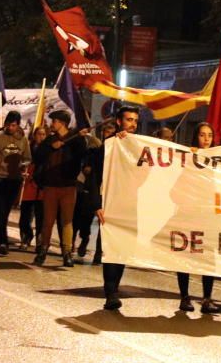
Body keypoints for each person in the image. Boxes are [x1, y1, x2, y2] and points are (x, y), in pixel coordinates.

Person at [174, 122, 221, 313]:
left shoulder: (219, 160)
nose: (206, 139)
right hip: (189, 215)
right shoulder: (187, 158)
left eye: (210, 135)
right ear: (196, 137)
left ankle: (207, 298)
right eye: (202, 135)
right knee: (185, 255)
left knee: (207, 257)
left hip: (209, 216)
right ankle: (184, 296)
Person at [33, 110, 89, 267]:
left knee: (67, 221)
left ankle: (67, 253)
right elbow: (37, 157)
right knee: (48, 221)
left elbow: (83, 154)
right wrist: (51, 147)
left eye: (55, 121)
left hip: (68, 186)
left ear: (63, 123)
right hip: (50, 185)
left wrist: (81, 137)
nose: (52, 124)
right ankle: (43, 250)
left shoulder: (76, 139)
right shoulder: (49, 140)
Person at [99, 105, 140, 310]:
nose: (132, 124)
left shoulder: (141, 147)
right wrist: (97, 205)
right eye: (128, 120)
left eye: (135, 121)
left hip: (130, 206)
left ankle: (114, 287)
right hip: (111, 205)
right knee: (112, 248)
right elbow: (95, 176)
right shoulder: (109, 145)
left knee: (122, 249)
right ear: (118, 122)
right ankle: (111, 291)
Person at [0, 111, 30, 256]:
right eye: (8, 124)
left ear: (18, 125)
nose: (10, 128)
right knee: (0, 210)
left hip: (14, 179)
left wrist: (22, 164)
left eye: (13, 125)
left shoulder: (23, 140)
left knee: (4, 211)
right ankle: (2, 242)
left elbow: (28, 157)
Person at [77, 121, 116, 264]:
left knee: (103, 223)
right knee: (85, 219)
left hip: (108, 191)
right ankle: (84, 237)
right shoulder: (96, 150)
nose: (109, 135)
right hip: (93, 189)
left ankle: (99, 253)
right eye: (107, 132)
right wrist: (87, 167)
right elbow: (88, 162)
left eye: (112, 133)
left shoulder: (117, 152)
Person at [19, 125, 48, 251]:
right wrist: (22, 169)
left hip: (41, 185)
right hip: (29, 184)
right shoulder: (29, 148)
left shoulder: (49, 149)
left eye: (43, 134)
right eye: (38, 134)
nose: (40, 137)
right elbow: (22, 161)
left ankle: (39, 241)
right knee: (25, 215)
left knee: (40, 215)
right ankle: (27, 235)